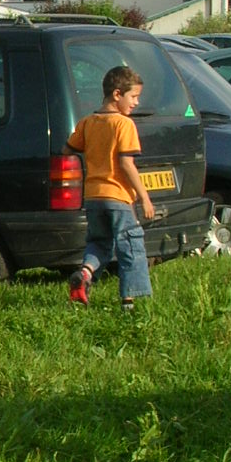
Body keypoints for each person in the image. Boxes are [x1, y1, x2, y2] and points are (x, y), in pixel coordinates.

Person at [66, 64, 156, 311]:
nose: (136, 103)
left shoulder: (88, 122)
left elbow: (69, 150)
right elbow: (126, 164)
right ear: (117, 94)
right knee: (130, 246)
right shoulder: (124, 124)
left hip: (94, 197)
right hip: (118, 197)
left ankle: (85, 274)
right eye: (134, 97)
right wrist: (144, 198)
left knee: (99, 243)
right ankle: (130, 302)